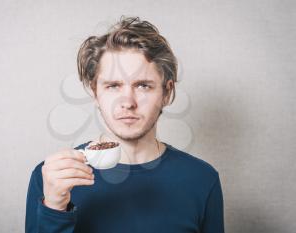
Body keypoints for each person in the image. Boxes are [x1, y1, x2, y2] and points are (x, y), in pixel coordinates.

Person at [25, 16, 225, 233]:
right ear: (95, 92)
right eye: (113, 86)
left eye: (143, 86)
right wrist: (54, 208)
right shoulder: (52, 178)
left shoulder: (202, 179)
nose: (127, 102)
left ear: (166, 93)